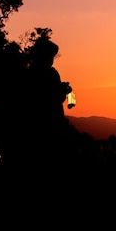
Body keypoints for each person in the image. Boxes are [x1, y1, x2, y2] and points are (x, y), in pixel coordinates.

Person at [19, 36, 74, 179]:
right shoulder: (49, 74)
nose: (52, 60)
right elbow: (48, 99)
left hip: (35, 131)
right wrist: (63, 91)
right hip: (48, 129)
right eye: (51, 56)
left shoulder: (27, 74)